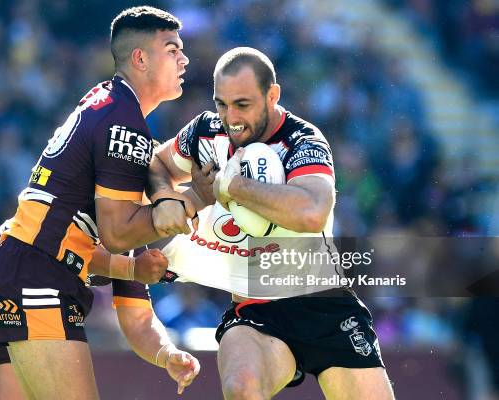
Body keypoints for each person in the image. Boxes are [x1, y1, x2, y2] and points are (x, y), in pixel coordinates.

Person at [148, 47, 394, 399]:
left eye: (243, 105)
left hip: (324, 303)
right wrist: (165, 198)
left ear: (272, 95)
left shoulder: (302, 140)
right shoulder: (206, 132)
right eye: (222, 104)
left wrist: (232, 186)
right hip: (256, 307)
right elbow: (159, 165)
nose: (230, 118)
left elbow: (312, 212)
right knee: (241, 387)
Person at [0, 6, 196, 399]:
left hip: (31, 269)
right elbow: (116, 232)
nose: (185, 59)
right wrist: (196, 198)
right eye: (172, 49)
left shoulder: (111, 106)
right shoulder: (123, 122)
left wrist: (165, 355)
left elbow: (133, 307)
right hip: (35, 274)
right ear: (140, 58)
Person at [0, 221, 199, 399]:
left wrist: (166, 354)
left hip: (14, 327)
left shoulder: (133, 246)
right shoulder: (67, 201)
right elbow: (86, 255)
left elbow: (138, 321)